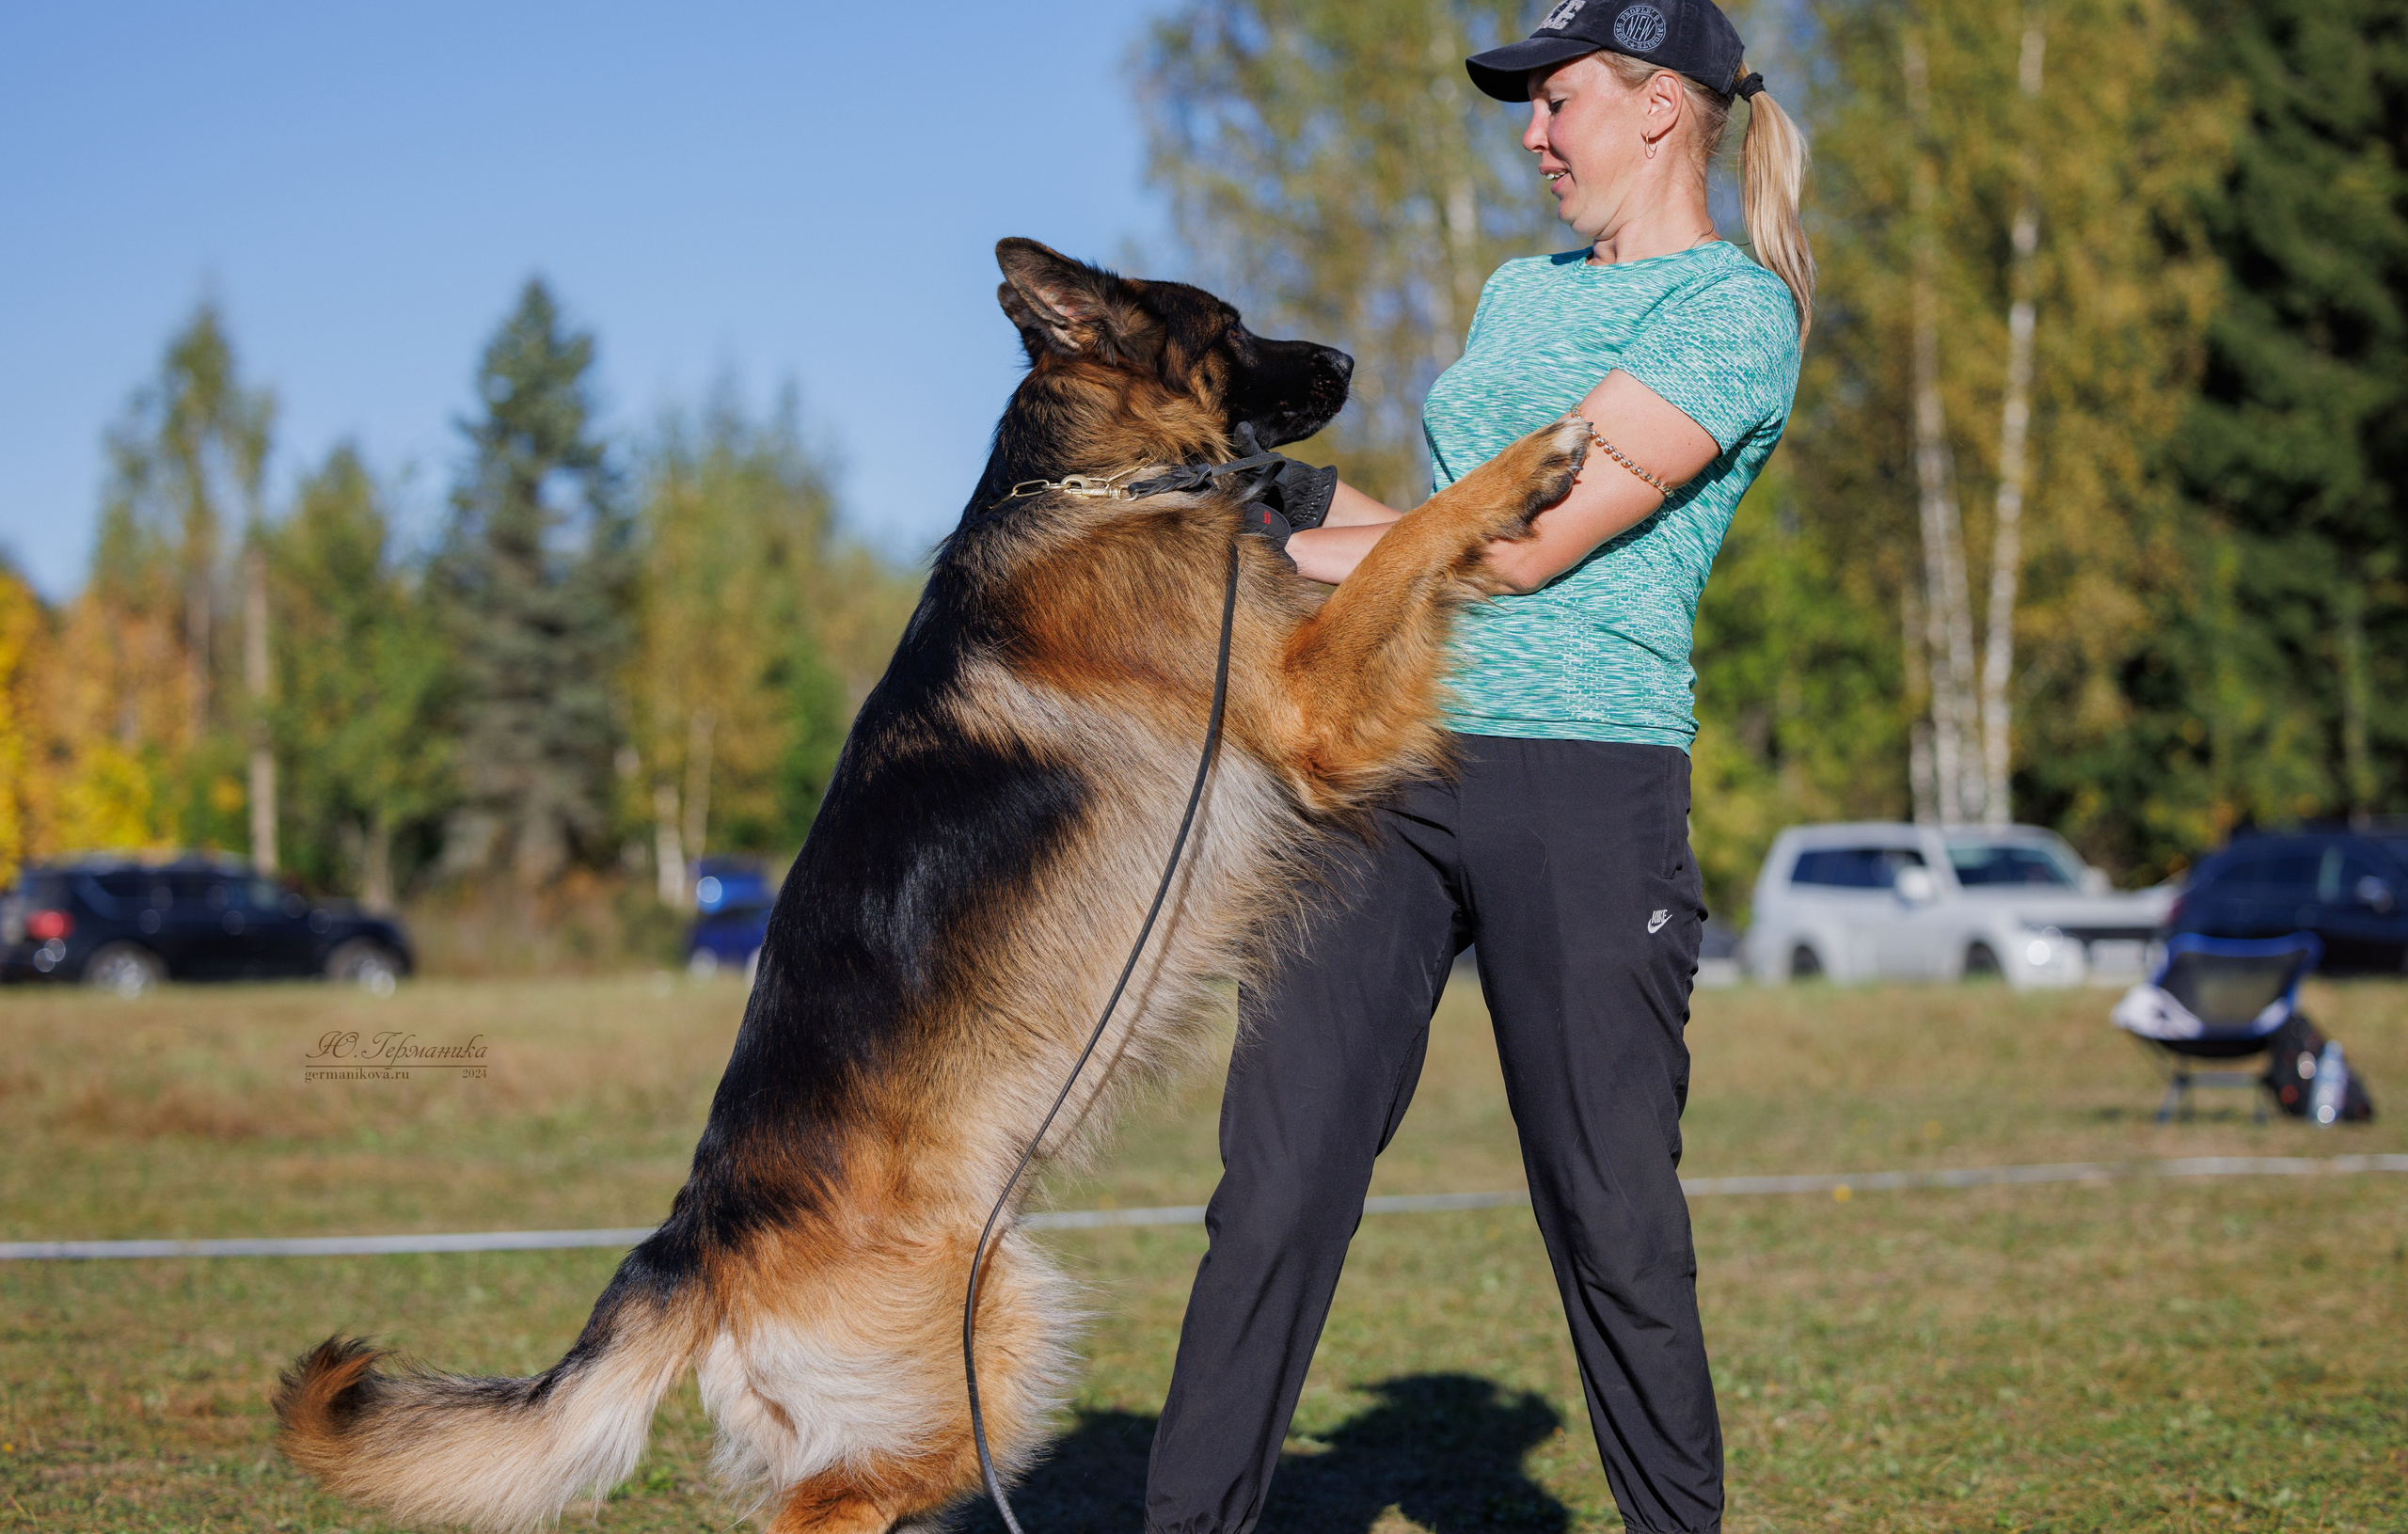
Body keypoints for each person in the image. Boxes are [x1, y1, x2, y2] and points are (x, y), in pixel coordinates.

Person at [1141, 3, 1812, 1532]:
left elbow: (1523, 545)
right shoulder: (1523, 293)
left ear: (1660, 109)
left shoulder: (1732, 315)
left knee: (1612, 1215)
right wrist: (1277, 499)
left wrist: (1254, 559)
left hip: (1587, 784)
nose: (1531, 132)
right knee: (1277, 1186)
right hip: (1395, 762)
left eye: (1556, 98)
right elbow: (1440, 527)